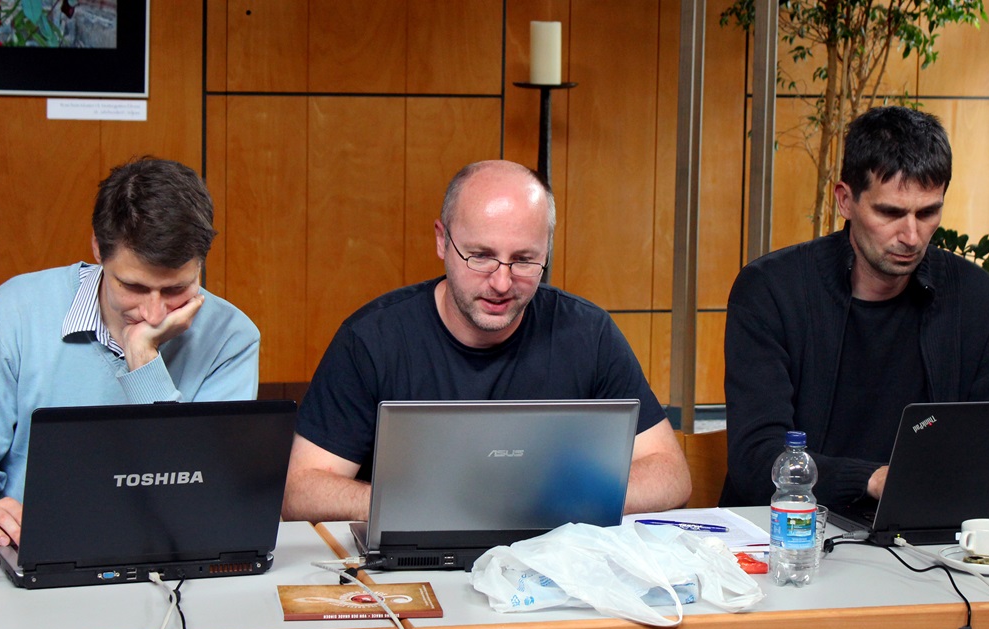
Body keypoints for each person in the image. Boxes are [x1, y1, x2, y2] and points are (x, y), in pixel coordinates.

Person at [283, 160, 691, 522]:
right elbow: (300, 488)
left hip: (550, 557)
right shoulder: (372, 340)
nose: (501, 282)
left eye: (525, 260)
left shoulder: (588, 333)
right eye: (480, 255)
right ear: (442, 241)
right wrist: (420, 504)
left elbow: (669, 476)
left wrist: (544, 503)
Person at [0, 158, 260, 554]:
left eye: (175, 290)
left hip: (168, 556)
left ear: (201, 263)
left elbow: (199, 496)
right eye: (133, 286)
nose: (154, 313)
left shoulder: (231, 337)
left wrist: (144, 362)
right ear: (98, 249)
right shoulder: (18, 310)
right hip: (31, 552)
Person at [720, 106, 989, 509]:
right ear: (845, 200)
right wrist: (873, 479)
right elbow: (756, 462)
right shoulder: (771, 291)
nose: (911, 236)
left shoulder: (976, 298)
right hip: (789, 534)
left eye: (928, 212)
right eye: (890, 212)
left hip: (926, 538)